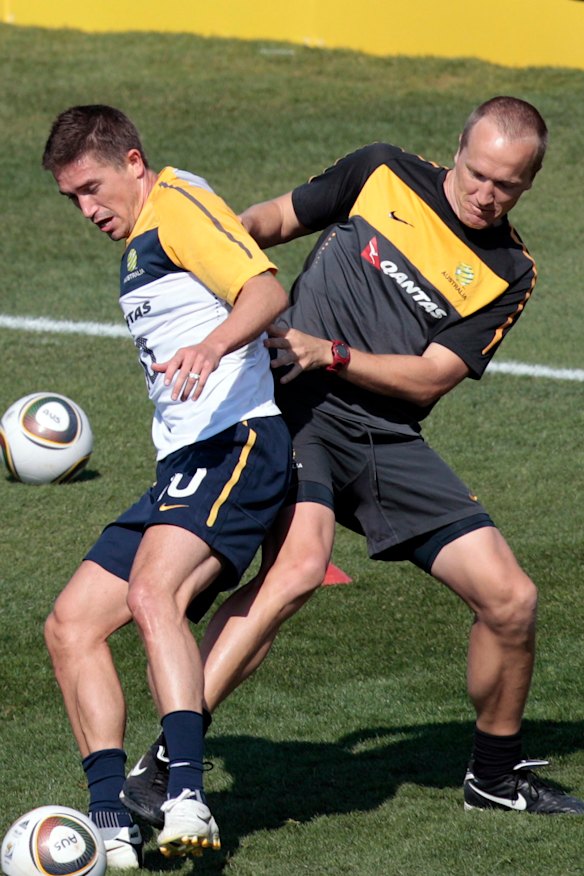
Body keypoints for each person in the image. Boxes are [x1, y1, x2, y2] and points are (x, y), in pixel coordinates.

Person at [122, 95, 584, 822]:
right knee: (299, 566)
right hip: (296, 407)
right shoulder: (381, 172)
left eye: (508, 185)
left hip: (386, 437)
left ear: (529, 183)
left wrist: (332, 352)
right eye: (479, 173)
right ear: (456, 150)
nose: (487, 194)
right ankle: (166, 765)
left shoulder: (509, 272)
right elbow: (269, 221)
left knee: (511, 600)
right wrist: (217, 255)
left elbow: (431, 377)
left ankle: (493, 777)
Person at [41, 104, 293, 868]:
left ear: (134, 163)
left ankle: (185, 791)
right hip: (182, 463)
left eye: (92, 188)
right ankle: (110, 819)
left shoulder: (177, 206)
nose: (87, 210)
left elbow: (265, 290)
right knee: (70, 625)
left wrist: (213, 345)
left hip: (237, 446)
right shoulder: (147, 232)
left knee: (155, 593)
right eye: (71, 200)